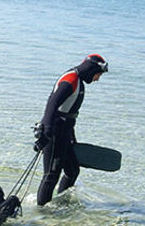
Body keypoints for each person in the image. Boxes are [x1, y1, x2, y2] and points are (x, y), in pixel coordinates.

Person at [35, 54, 108, 206]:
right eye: (98, 75)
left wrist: (71, 136)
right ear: (91, 70)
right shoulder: (71, 79)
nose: (97, 79)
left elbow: (69, 113)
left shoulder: (78, 80)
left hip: (65, 133)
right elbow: (52, 104)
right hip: (54, 132)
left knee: (72, 170)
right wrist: (47, 130)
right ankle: (41, 214)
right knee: (51, 175)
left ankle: (61, 202)